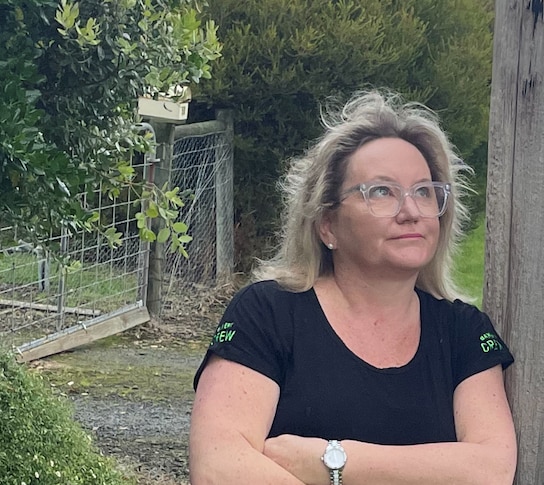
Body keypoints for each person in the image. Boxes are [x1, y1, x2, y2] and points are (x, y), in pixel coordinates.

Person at [189, 89, 516, 485]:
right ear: (327, 225)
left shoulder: (464, 332)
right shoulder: (269, 314)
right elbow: (220, 467)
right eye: (382, 191)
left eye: (424, 192)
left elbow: (490, 470)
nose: (410, 211)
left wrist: (333, 460)